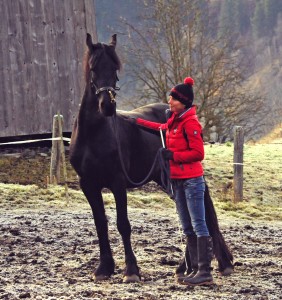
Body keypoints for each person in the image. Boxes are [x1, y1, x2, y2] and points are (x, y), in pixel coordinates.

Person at [124, 77, 213, 286]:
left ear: (182, 102)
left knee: (199, 225)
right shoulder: (175, 120)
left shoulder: (190, 123)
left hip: (192, 180)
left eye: (173, 99)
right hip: (178, 181)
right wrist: (135, 121)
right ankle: (193, 269)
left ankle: (205, 272)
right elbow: (160, 127)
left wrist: (172, 156)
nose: (169, 102)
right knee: (187, 226)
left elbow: (198, 153)